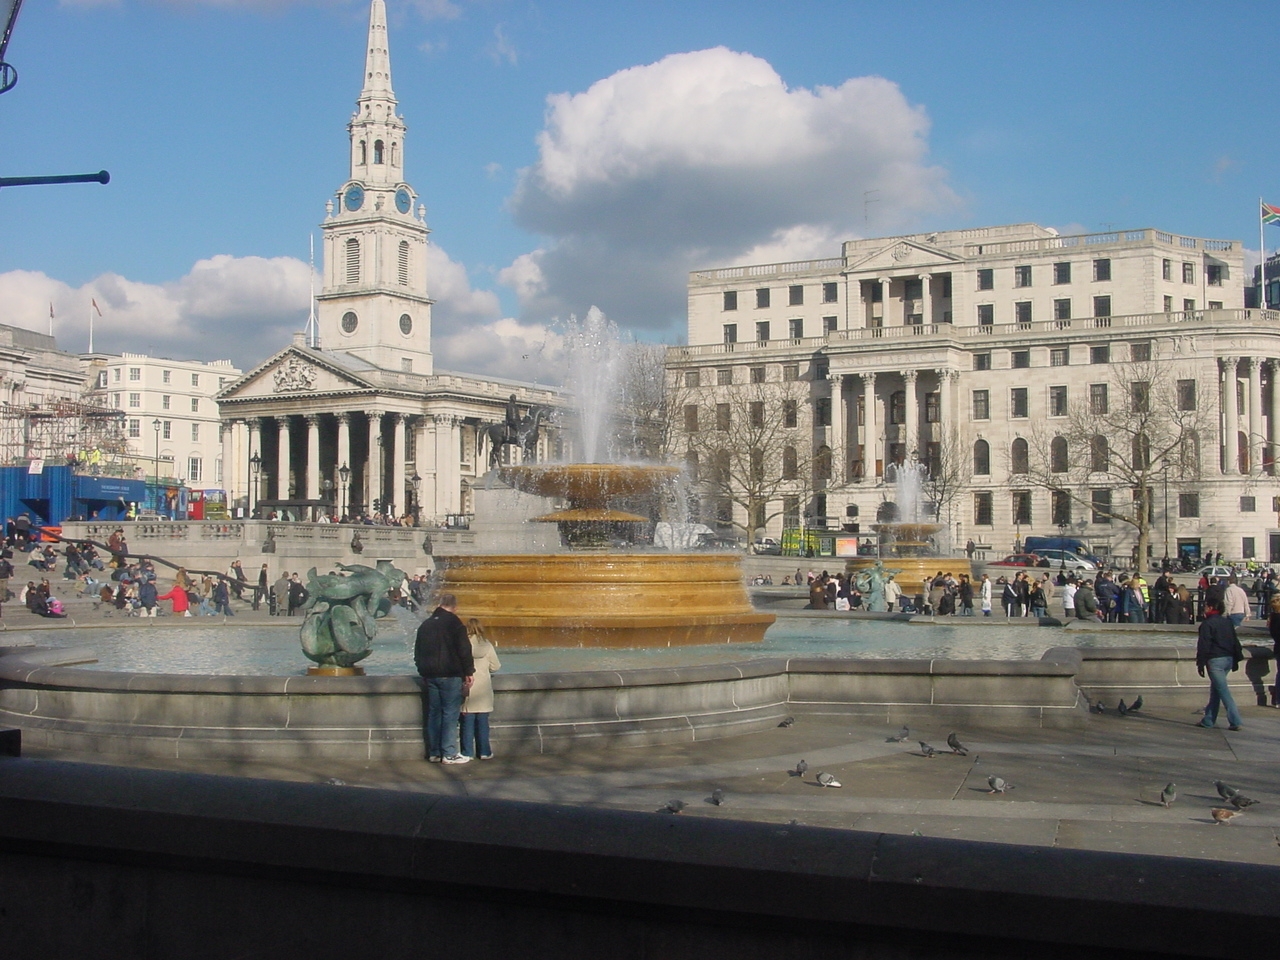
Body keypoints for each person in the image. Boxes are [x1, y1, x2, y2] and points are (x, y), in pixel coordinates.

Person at [414, 593, 475, 764]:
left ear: (440, 605)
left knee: (434, 713)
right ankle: (449, 753)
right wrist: (469, 671)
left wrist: (422, 671)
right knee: (450, 714)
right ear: (454, 607)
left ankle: (434, 752)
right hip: (450, 674)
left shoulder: (425, 625)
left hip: (430, 675)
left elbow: (418, 652)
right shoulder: (454, 624)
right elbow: (464, 650)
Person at [1196, 600, 1244, 730]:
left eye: (1205, 606)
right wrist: (1237, 658)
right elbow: (1234, 641)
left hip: (1215, 660)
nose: (1203, 608)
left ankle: (1236, 721)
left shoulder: (1207, 624)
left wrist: (1200, 663)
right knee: (1216, 689)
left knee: (1223, 691)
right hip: (1228, 659)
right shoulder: (1227, 622)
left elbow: (1203, 646)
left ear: (1210, 607)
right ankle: (1208, 720)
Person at [460, 618, 501, 760]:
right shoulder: (487, 645)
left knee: (467, 722)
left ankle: (467, 752)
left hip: (468, 687)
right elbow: (495, 666)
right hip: (483, 689)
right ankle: (484, 751)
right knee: (483, 722)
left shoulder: (462, 645)